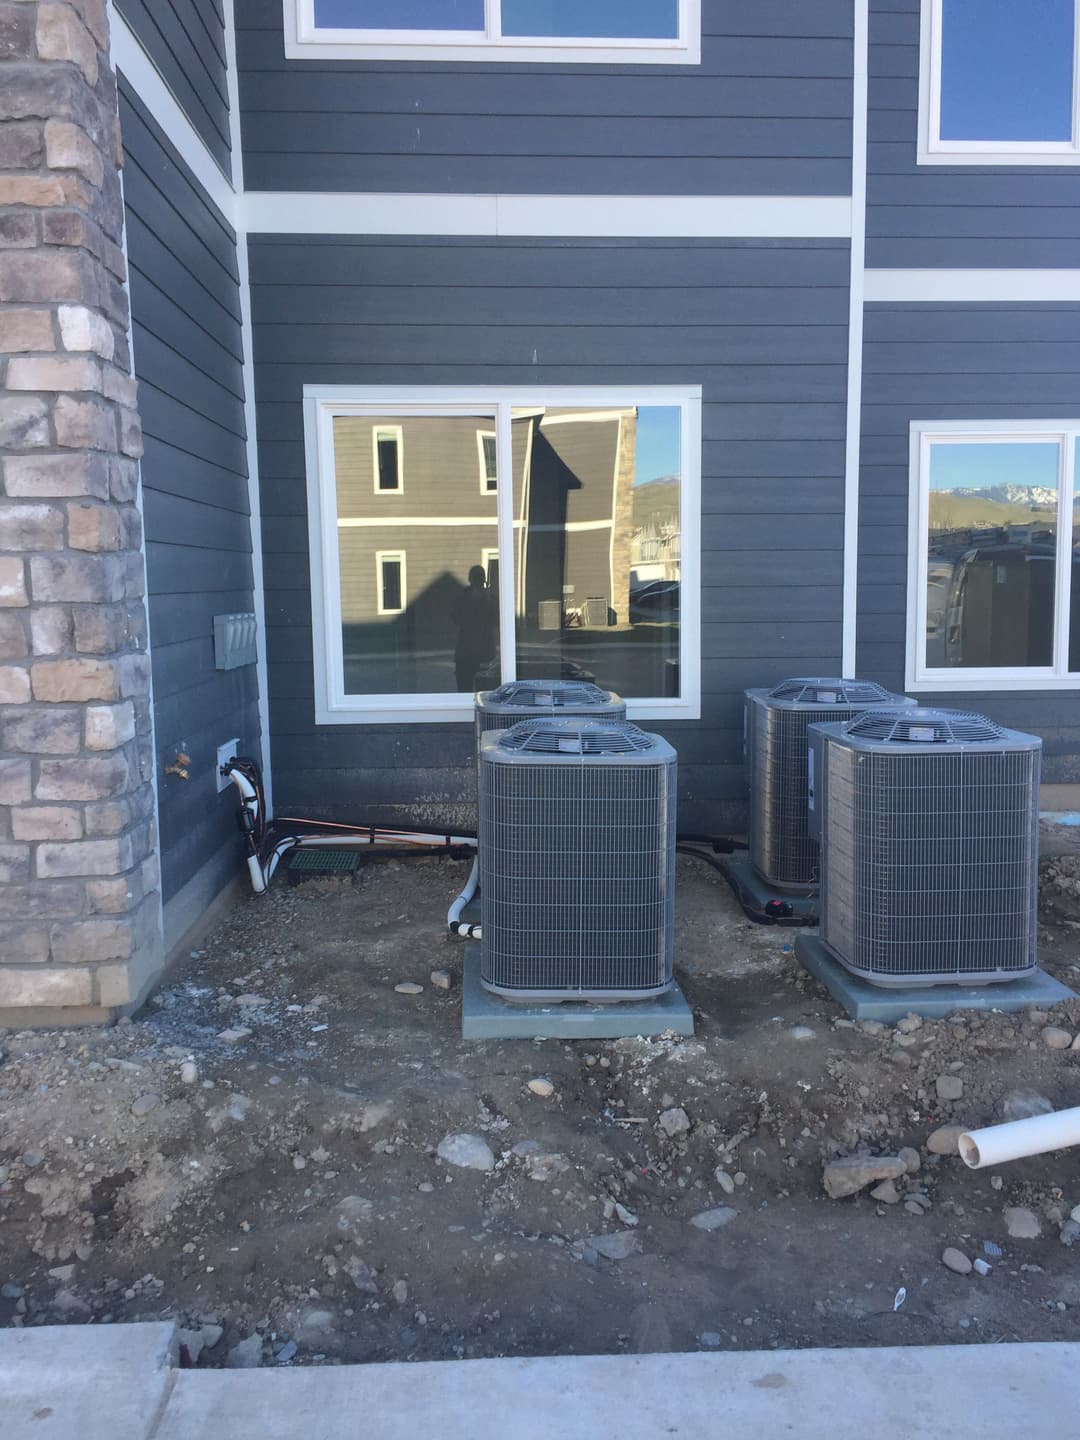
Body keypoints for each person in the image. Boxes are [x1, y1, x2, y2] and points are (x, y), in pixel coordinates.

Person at [453, 565, 497, 691]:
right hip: (466, 652)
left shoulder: (489, 598)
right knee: (464, 690)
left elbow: (496, 620)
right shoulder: (462, 597)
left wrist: (488, 601)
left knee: (486, 691)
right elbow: (456, 617)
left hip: (484, 651)